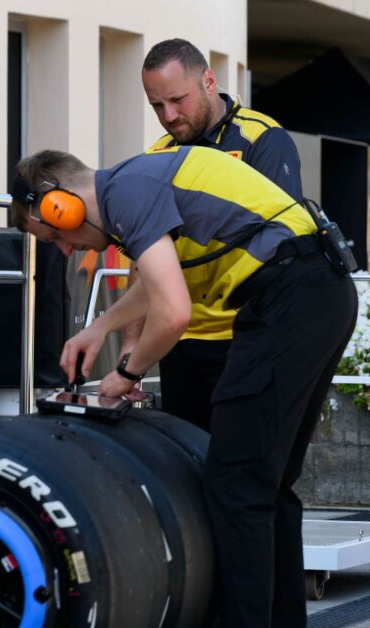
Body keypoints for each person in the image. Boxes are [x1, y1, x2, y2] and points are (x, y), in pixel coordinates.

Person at [10, 146, 357, 628]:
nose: (66, 251)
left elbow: (173, 313)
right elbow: (165, 282)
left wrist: (124, 375)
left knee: (236, 486)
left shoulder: (125, 194)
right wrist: (100, 328)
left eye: (54, 237)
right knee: (266, 489)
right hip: (315, 290)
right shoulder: (138, 184)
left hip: (287, 297)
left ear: (60, 205)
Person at [133, 38, 304, 432]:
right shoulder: (157, 156)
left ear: (209, 81)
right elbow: (141, 261)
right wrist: (131, 350)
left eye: (178, 100)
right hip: (177, 338)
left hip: (244, 338)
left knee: (241, 459)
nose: (169, 115)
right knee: (184, 458)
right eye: (157, 105)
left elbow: (284, 246)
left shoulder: (262, 138)